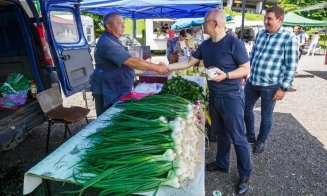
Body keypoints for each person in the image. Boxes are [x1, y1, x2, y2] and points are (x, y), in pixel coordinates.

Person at [167, 9, 252, 195]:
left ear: (215, 24)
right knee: (220, 133)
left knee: (238, 137)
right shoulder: (205, 45)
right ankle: (222, 164)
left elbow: (246, 69)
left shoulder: (234, 43)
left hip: (232, 97)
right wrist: (165, 67)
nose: (203, 25)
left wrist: (227, 75)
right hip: (214, 95)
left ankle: (245, 174)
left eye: (205, 22)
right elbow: (189, 62)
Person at [90, 13, 168, 117]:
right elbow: (132, 61)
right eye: (119, 23)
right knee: (107, 120)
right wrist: (157, 68)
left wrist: (148, 63)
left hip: (115, 87)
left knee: (117, 117)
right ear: (109, 26)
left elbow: (130, 59)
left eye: (123, 23)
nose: (123, 26)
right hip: (108, 90)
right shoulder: (107, 43)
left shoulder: (113, 39)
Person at [244, 6, 298, 155]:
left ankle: (261, 141)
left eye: (269, 19)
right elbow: (253, 56)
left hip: (271, 85)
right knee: (244, 108)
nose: (265, 21)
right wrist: (245, 73)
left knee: (266, 116)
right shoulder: (260, 34)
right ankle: (250, 136)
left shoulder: (289, 37)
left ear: (279, 19)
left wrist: (283, 88)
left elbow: (291, 65)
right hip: (252, 81)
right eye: (265, 18)